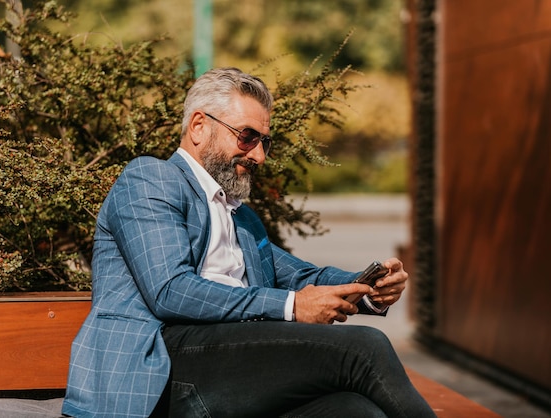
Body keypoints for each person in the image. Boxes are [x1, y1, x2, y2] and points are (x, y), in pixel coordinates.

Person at [62, 67, 436, 418]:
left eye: (264, 142)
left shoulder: (240, 217)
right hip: (160, 371)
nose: (257, 154)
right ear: (198, 126)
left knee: (354, 410)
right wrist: (291, 307)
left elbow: (299, 276)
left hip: (230, 367)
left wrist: (369, 286)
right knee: (365, 349)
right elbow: (170, 290)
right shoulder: (151, 179)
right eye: (247, 136)